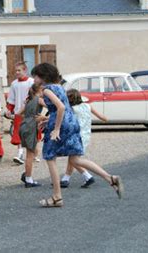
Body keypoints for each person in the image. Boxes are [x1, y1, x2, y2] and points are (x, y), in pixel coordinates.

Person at [31, 63, 123, 207]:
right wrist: (48, 120)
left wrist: (55, 128)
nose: (34, 79)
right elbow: (63, 109)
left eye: (35, 76)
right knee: (75, 160)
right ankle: (110, 178)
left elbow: (60, 108)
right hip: (72, 123)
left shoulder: (47, 90)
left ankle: (57, 196)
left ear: (42, 76)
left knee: (50, 157)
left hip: (61, 125)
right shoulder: (60, 87)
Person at [60, 89, 108, 188]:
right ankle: (66, 178)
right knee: (73, 157)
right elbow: (103, 117)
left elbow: (63, 120)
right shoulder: (88, 106)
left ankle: (88, 176)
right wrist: (105, 119)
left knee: (74, 159)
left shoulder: (71, 109)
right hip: (86, 136)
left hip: (76, 136)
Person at [6, 62, 34, 165]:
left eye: (19, 70)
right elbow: (11, 99)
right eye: (16, 70)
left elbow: (36, 97)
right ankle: (20, 154)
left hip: (30, 113)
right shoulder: (14, 84)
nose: (17, 72)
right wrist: (9, 109)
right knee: (19, 134)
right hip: (18, 112)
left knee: (30, 135)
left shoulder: (32, 82)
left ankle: (31, 154)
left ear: (25, 70)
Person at [18, 83, 44, 188]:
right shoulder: (39, 100)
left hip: (24, 125)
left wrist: (28, 116)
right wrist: (42, 117)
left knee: (30, 152)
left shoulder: (28, 101)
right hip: (31, 126)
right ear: (39, 90)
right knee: (30, 155)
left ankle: (27, 175)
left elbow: (19, 113)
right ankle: (28, 179)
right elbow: (52, 108)